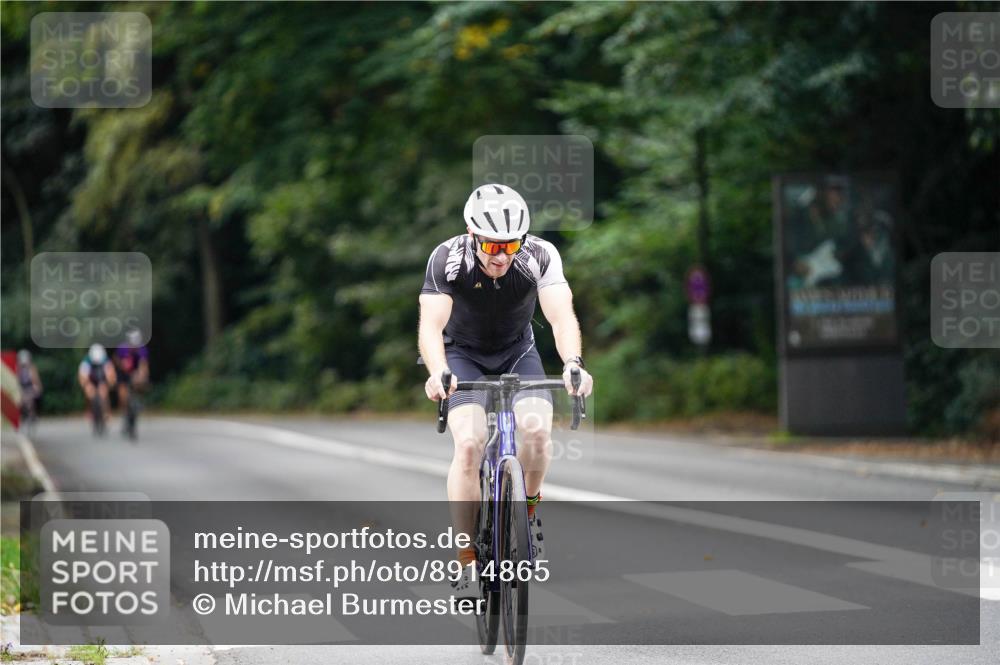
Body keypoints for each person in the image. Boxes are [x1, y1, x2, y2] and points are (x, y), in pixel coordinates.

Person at [418, 184, 594, 597]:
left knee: (537, 433)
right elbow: (431, 327)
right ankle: (466, 561)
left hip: (517, 353)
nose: (501, 256)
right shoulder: (448, 258)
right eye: (492, 245)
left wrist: (573, 363)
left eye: (511, 244)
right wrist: (438, 371)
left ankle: (528, 513)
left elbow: (561, 317)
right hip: (462, 356)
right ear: (471, 233)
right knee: (469, 445)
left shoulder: (539, 255)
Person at [114, 328, 149, 436]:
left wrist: (142, 376)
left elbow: (143, 364)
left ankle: (139, 400)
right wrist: (122, 365)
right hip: (123, 373)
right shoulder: (122, 349)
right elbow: (116, 360)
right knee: (123, 395)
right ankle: (124, 414)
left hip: (135, 372)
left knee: (141, 381)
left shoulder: (142, 349)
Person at [78, 343, 116, 432]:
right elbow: (82, 377)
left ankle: (106, 413)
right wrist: (87, 385)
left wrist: (109, 384)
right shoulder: (86, 362)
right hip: (90, 381)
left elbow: (111, 375)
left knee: (104, 393)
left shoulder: (106, 361)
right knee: (89, 392)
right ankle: (90, 410)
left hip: (102, 381)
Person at [16, 349, 43, 431]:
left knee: (31, 399)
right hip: (21, 388)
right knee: (20, 400)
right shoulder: (17, 368)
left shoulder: (31, 368)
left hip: (30, 387)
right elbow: (16, 381)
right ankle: (22, 416)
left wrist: (38, 388)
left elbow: (36, 380)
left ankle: (32, 415)